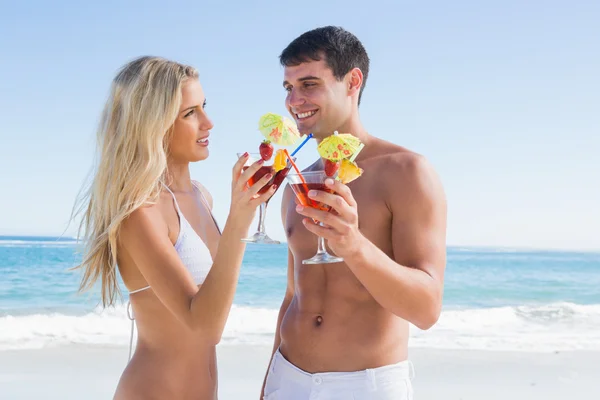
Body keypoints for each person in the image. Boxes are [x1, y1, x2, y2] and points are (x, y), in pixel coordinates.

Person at [73, 56, 276, 400]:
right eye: (190, 113)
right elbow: (206, 327)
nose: (208, 123)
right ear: (153, 125)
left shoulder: (201, 196)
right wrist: (239, 218)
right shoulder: (140, 213)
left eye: (204, 106)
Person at [261, 26, 448, 399]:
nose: (294, 100)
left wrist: (353, 245)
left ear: (352, 81)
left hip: (366, 387)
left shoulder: (407, 171)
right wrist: (268, 386)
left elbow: (427, 310)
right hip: (289, 378)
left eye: (309, 84)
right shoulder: (299, 178)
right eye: (288, 88)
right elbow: (291, 296)